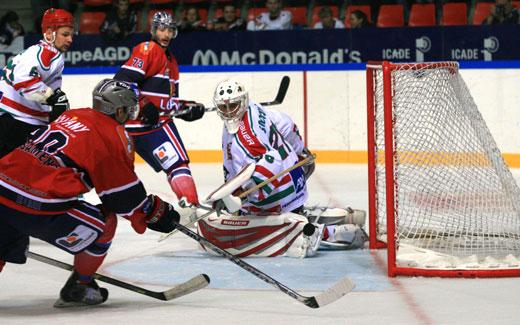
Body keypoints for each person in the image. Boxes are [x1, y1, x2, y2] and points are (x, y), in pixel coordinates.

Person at [0, 79, 180, 307]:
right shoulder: (114, 134)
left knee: (5, 233)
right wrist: (153, 211)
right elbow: (121, 197)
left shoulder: (72, 115)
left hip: (2, 187)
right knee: (105, 223)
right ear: (120, 109)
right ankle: (80, 287)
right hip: (38, 204)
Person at [195, 79, 368, 258]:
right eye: (224, 107)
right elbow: (287, 124)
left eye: (233, 106)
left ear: (243, 101)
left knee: (258, 221)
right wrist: (301, 150)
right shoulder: (254, 109)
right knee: (283, 210)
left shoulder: (247, 140)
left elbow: (271, 162)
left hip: (278, 187)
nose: (229, 112)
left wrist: (241, 196)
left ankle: (333, 233)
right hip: (294, 174)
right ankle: (340, 216)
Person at [114, 11, 205, 206]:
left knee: (176, 165)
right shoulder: (147, 49)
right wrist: (143, 103)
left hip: (150, 127)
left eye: (170, 30)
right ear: (153, 30)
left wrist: (188, 108)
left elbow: (167, 103)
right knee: (113, 173)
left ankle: (190, 204)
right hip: (135, 127)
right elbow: (121, 81)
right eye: (162, 29)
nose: (166, 35)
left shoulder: (172, 62)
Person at [0, 8, 73, 158]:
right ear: (48, 33)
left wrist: (53, 99)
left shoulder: (36, 51)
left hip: (8, 116)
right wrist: (51, 97)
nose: (70, 39)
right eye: (65, 34)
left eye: (71, 34)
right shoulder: (49, 53)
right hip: (17, 122)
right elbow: (22, 77)